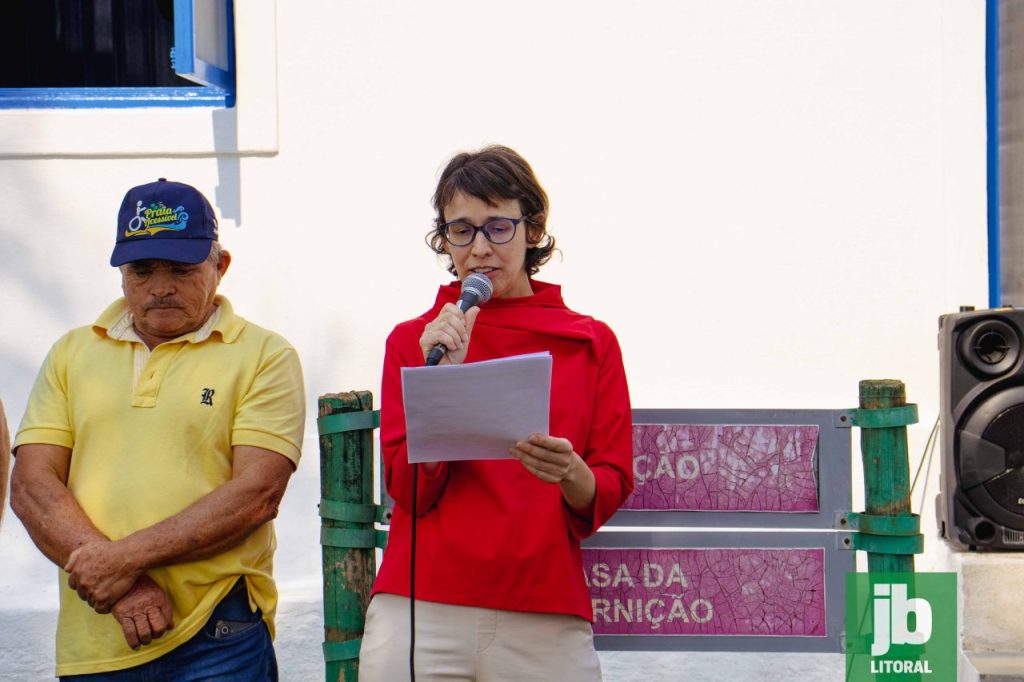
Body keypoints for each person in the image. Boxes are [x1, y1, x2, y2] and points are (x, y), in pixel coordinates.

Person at [10, 179, 305, 680]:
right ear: (122, 272)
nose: (161, 287)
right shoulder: (71, 353)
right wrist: (125, 584)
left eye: (182, 270)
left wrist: (119, 562)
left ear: (221, 266)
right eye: (142, 271)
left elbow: (256, 494)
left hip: (217, 632)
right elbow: (31, 487)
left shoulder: (264, 355)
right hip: (96, 634)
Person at [359, 146, 633, 681]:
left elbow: (610, 486)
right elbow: (409, 493)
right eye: (461, 230)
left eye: (498, 227)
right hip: (422, 604)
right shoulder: (416, 343)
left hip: (544, 606)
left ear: (533, 229)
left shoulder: (591, 343)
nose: (481, 248)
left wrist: (569, 471)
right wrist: (443, 383)